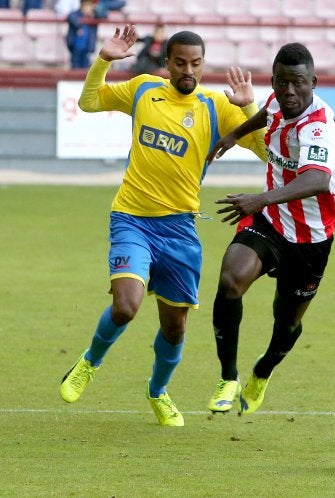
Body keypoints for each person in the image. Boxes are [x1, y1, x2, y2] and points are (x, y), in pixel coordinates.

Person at [59, 25, 266, 427]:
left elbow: (263, 151)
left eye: (196, 63)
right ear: (167, 63)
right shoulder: (143, 90)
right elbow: (89, 101)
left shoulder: (216, 106)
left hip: (180, 230)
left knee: (174, 329)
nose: (188, 71)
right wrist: (103, 60)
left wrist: (247, 108)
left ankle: (157, 391)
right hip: (132, 219)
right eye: (180, 63)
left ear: (203, 64)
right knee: (126, 306)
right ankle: (89, 362)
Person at [206, 42, 335, 415]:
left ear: (313, 82)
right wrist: (234, 135)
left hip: (311, 238)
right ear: (273, 80)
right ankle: (228, 378)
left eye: (298, 83)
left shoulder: (318, 127)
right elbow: (266, 112)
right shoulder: (277, 100)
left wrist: (260, 199)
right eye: (282, 82)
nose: (289, 91)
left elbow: (317, 179)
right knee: (231, 280)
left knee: (286, 322)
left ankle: (264, 370)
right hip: (270, 222)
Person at [66, 0, 98, 68]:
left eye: (89, 5)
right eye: (86, 5)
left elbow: (104, 15)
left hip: (87, 47)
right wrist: (79, 27)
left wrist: (94, 12)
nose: (88, 8)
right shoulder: (76, 14)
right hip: (76, 47)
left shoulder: (94, 15)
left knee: (85, 67)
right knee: (75, 66)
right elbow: (70, 17)